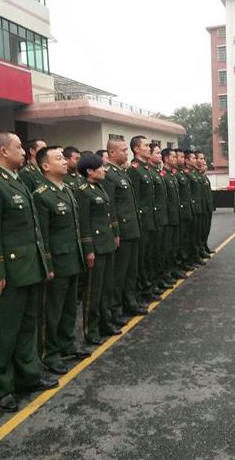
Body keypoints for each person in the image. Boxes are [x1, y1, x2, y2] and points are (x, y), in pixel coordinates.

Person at [0, 131, 58, 413]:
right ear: (3, 151)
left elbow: (31, 229)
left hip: (27, 268)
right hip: (6, 271)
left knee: (25, 328)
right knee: (2, 333)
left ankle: (27, 376)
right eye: (19, 147)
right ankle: (2, 388)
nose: (24, 151)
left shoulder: (15, 180)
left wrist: (43, 264)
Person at [33, 146, 90, 375]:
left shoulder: (66, 189)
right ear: (45, 166)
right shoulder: (42, 195)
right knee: (52, 310)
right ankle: (50, 353)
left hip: (72, 257)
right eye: (59, 159)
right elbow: (42, 236)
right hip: (57, 261)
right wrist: (47, 264)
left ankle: (67, 343)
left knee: (69, 306)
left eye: (64, 158)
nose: (65, 162)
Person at [75, 153, 121, 345]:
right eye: (101, 167)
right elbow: (84, 223)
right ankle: (91, 330)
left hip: (107, 243)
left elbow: (109, 215)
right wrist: (88, 249)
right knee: (93, 292)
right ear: (89, 171)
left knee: (106, 288)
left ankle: (105, 323)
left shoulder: (99, 187)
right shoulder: (83, 192)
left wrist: (115, 234)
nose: (104, 170)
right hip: (96, 247)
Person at [102, 138, 148, 320]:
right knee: (119, 273)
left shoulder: (121, 173)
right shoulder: (109, 175)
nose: (126, 153)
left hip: (132, 228)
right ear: (112, 153)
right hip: (122, 230)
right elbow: (110, 206)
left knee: (131, 270)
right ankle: (115, 309)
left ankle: (130, 301)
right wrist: (115, 232)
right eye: (123, 150)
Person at [127, 136, 161, 302]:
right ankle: (142, 291)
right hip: (142, 221)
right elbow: (136, 200)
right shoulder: (134, 170)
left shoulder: (146, 169)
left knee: (149, 255)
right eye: (146, 145)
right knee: (141, 259)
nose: (149, 148)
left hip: (151, 219)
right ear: (136, 149)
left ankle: (149, 286)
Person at [149, 143, 175, 289]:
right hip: (155, 219)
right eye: (157, 153)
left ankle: (162, 276)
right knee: (154, 253)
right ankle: (154, 281)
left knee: (163, 250)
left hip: (163, 217)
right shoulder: (148, 172)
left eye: (160, 153)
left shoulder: (157, 173)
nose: (159, 155)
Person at [160, 148, 186, 281]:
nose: (176, 159)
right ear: (166, 159)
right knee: (167, 248)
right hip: (168, 217)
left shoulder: (172, 175)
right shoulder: (163, 175)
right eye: (173, 157)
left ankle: (174, 269)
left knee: (175, 245)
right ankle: (168, 272)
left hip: (176, 215)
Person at [184, 150, 207, 265]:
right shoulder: (187, 174)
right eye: (193, 158)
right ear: (187, 161)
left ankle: (197, 253)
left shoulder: (194, 173)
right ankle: (192, 257)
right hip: (191, 208)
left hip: (199, 207)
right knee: (190, 236)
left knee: (197, 233)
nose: (196, 160)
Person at [174, 149, 196, 272]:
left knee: (187, 238)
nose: (182, 160)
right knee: (180, 241)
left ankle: (186, 261)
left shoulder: (182, 174)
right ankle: (180, 263)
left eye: (183, 157)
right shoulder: (174, 175)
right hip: (179, 212)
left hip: (187, 210)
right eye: (180, 157)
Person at [196, 151, 216, 255]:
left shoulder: (204, 176)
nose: (204, 161)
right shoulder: (196, 176)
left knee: (206, 229)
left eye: (204, 159)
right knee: (200, 231)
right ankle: (200, 249)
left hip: (207, 207)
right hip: (201, 207)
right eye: (201, 159)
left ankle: (204, 246)